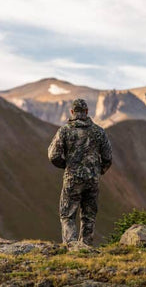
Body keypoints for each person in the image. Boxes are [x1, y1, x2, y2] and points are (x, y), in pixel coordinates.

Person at [48, 98, 112, 246]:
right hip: (92, 180)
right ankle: (86, 249)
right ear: (87, 112)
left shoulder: (64, 131)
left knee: (67, 215)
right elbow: (108, 158)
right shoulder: (99, 132)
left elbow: (53, 155)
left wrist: (67, 166)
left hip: (72, 179)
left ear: (72, 112)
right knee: (89, 216)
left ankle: (71, 248)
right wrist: (97, 171)